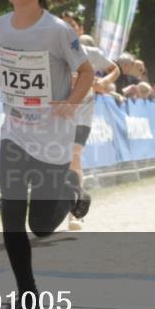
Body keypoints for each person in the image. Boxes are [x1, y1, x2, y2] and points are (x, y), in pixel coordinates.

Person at [0, 0, 93, 309]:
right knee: (11, 216)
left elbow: (86, 73)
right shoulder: (2, 25)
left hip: (52, 137)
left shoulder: (57, 31)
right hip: (15, 133)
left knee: (40, 225)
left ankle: (71, 189)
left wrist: (71, 102)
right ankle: (28, 298)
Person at [60, 13, 119, 231]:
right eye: (63, 25)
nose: (67, 29)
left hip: (82, 113)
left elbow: (115, 68)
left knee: (74, 156)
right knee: (59, 161)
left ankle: (75, 213)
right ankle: (59, 204)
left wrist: (103, 81)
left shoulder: (91, 54)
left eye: (72, 26)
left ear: (80, 30)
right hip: (57, 113)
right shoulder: (52, 52)